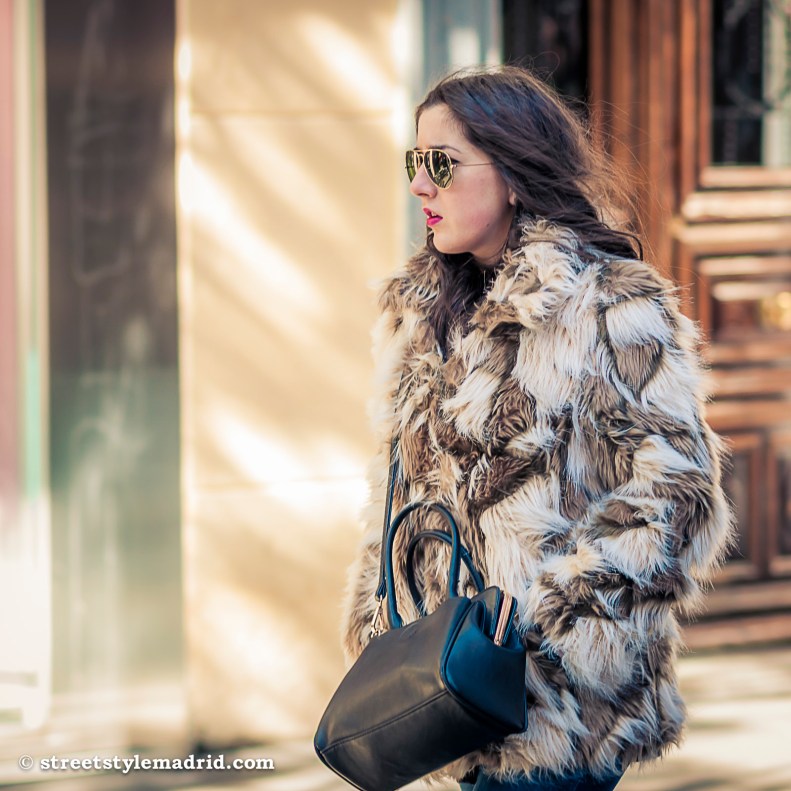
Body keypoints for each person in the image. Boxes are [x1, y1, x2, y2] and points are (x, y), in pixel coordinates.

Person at [340, 65, 733, 791]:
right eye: (412, 163)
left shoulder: (610, 307)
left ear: (515, 173)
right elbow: (394, 495)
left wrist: (534, 641)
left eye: (440, 165)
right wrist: (383, 623)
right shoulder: (422, 315)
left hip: (555, 717)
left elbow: (674, 500)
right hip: (441, 708)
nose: (419, 186)